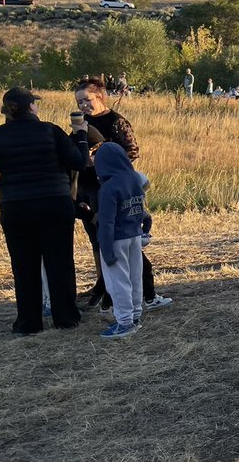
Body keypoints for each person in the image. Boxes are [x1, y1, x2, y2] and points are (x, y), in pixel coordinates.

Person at [0, 87, 87, 334]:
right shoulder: (51, 130)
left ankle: (28, 323)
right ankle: (66, 318)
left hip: (16, 207)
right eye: (35, 103)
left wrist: (6, 187)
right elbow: (78, 162)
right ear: (31, 107)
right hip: (54, 202)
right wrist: (81, 136)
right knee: (59, 261)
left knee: (24, 265)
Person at [73, 77, 172, 311]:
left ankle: (147, 292)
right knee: (97, 240)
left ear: (100, 96)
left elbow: (132, 151)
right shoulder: (81, 123)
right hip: (86, 187)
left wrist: (102, 163)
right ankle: (105, 285)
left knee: (123, 239)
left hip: (110, 189)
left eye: (86, 100)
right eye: (79, 102)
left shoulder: (116, 122)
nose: (82, 106)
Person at [93, 143, 148, 338]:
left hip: (116, 239)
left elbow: (107, 221)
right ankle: (134, 316)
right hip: (134, 235)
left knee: (118, 282)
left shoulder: (109, 188)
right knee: (135, 278)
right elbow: (142, 209)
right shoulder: (135, 178)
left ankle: (124, 322)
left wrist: (106, 250)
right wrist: (144, 230)